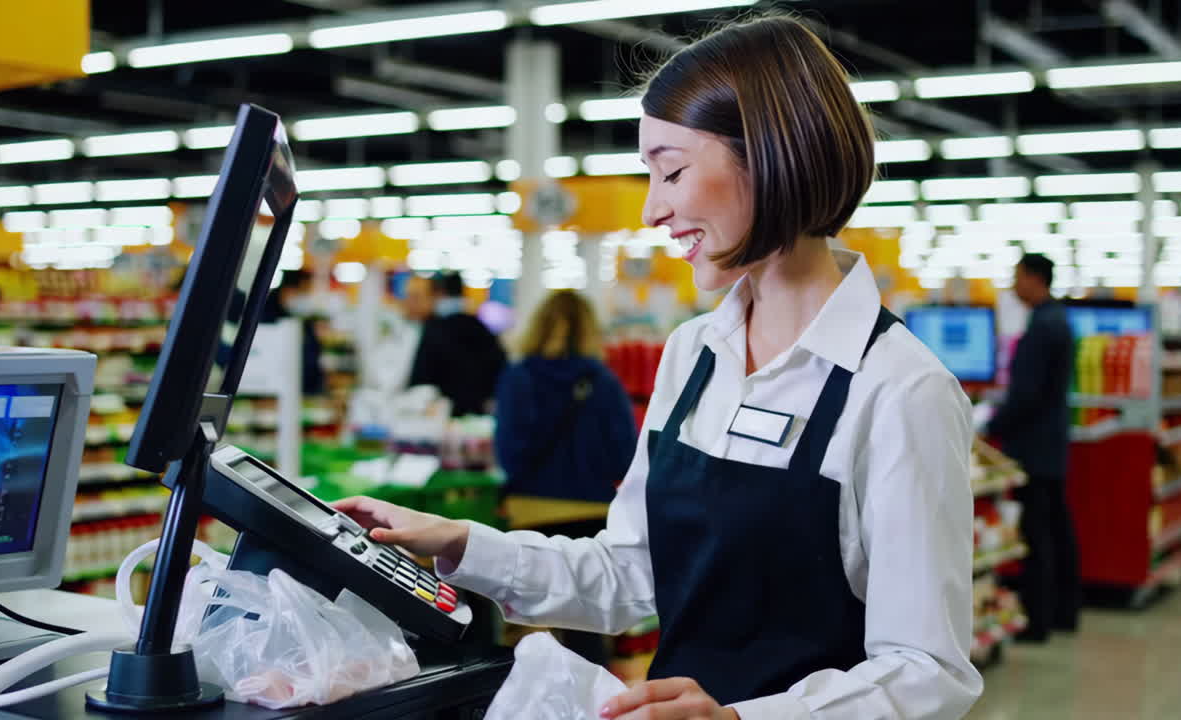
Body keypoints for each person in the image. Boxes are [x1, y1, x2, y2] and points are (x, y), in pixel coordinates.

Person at [338, 15, 981, 720]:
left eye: (671, 170)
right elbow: (631, 571)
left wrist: (741, 719)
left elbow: (928, 671)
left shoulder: (900, 390)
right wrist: (462, 544)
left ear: (770, 155)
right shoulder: (693, 356)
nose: (652, 209)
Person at [493, 290, 637, 665]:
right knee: (586, 629)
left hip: (532, 515)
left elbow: (510, 455)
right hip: (592, 514)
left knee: (530, 629)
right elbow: (625, 457)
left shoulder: (519, 377)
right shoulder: (603, 382)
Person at [987, 253, 1078, 642]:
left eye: (1017, 276)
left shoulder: (1043, 327)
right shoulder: (1055, 321)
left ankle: (1038, 621)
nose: (1013, 284)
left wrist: (991, 425)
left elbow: (1026, 395)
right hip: (1049, 443)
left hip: (1034, 447)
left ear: (1034, 278)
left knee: (1037, 533)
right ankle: (1063, 612)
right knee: (1056, 526)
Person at [407, 271, 507, 417]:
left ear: (439, 294)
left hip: (441, 414)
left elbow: (420, 378)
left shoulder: (434, 330)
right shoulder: (481, 328)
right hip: (478, 412)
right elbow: (501, 368)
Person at [261, 269, 325, 396]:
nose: (306, 297)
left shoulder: (302, 318)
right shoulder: (263, 319)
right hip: (271, 391)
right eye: (303, 292)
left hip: (304, 389)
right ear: (288, 290)